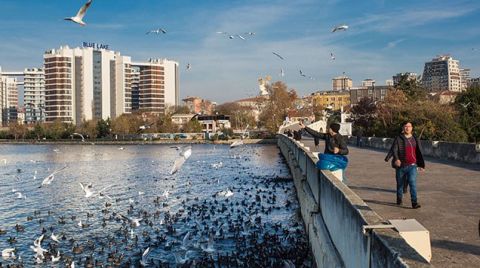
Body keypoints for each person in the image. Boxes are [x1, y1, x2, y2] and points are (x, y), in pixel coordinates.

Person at [389, 121, 425, 209]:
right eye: (405, 126)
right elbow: (394, 150)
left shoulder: (415, 139)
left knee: (412, 182)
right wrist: (397, 159)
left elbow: (419, 152)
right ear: (403, 128)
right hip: (401, 166)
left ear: (412, 128)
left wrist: (421, 165)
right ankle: (399, 199)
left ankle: (414, 202)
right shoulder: (398, 138)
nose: (407, 128)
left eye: (409, 126)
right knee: (400, 184)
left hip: (412, 165)